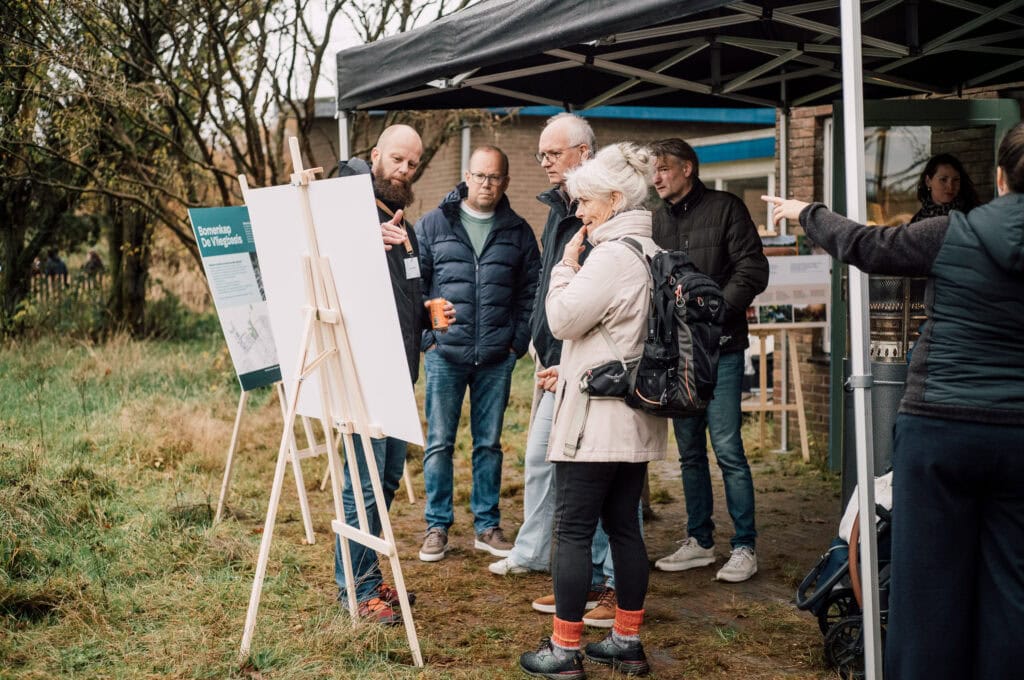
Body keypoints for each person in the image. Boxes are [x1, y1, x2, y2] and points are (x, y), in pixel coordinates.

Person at [763, 121, 1024, 680]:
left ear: (1000, 178)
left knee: (926, 587)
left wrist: (807, 211)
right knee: (1013, 590)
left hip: (940, 429)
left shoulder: (950, 232)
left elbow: (865, 245)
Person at [519, 142, 667, 679]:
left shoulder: (608, 256)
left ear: (613, 199)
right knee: (624, 527)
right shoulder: (650, 251)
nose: (578, 212)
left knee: (573, 530)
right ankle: (626, 641)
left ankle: (564, 651)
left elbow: (561, 319)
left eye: (584, 202)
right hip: (633, 412)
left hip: (595, 422)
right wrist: (571, 368)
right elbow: (619, 338)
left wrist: (563, 266)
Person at [488, 113, 620, 630]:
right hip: (553, 359)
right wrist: (541, 346)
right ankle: (568, 569)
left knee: (603, 477)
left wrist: (569, 362)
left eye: (553, 153)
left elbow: (598, 298)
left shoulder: (605, 212)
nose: (543, 161)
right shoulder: (559, 207)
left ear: (584, 154)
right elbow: (551, 281)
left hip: (589, 367)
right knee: (548, 461)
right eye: (540, 154)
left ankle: (610, 584)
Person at [332, 124, 455, 625]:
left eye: (413, 163)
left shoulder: (401, 224)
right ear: (376, 154)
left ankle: (367, 574)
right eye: (397, 159)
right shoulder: (347, 210)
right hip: (362, 371)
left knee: (384, 481)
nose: (404, 170)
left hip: (399, 373)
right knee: (362, 484)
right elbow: (325, 264)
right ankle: (355, 590)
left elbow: (402, 294)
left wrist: (428, 314)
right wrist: (364, 240)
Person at [649, 138, 769, 583]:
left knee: (728, 449)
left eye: (663, 168)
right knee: (689, 453)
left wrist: (713, 314)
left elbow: (753, 269)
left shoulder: (726, 209)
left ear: (688, 168)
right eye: (653, 170)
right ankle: (699, 540)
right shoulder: (654, 220)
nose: (656, 178)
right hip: (677, 356)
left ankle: (744, 546)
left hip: (722, 348)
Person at [413, 145, 540, 562]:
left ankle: (487, 526)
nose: (486, 184)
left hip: (496, 357)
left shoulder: (518, 231)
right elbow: (414, 288)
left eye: (494, 177)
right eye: (480, 176)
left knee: (489, 444)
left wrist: (516, 343)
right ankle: (437, 525)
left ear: (505, 181)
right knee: (439, 443)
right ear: (467, 177)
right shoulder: (433, 224)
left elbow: (532, 292)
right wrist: (428, 338)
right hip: (444, 354)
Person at [911, 152, 980, 223]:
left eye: (956, 180)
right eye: (943, 179)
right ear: (928, 181)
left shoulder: (974, 216)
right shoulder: (916, 221)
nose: (950, 187)